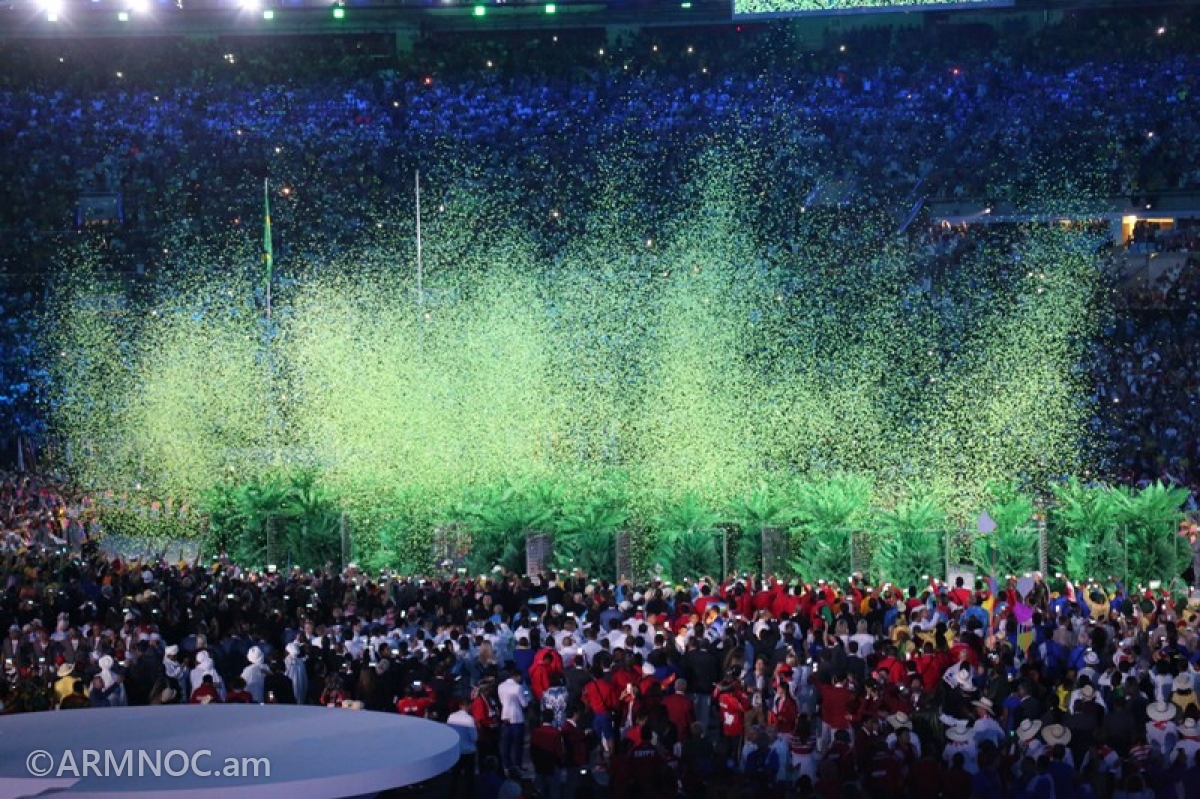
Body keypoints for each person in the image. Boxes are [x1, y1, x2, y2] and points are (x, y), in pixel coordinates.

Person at [498, 670, 530, 776]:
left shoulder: (501, 686)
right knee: (517, 744)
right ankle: (517, 765)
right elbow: (524, 703)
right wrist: (527, 699)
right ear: (518, 676)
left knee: (506, 744)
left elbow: (501, 701)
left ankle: (507, 765)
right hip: (517, 717)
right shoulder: (518, 687)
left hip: (505, 716)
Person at [446, 697, 478, 797]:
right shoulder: (469, 719)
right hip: (468, 751)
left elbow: (449, 734)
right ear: (469, 706)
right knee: (469, 777)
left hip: (456, 751)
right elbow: (474, 737)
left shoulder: (451, 717)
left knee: (454, 775)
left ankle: (452, 795)